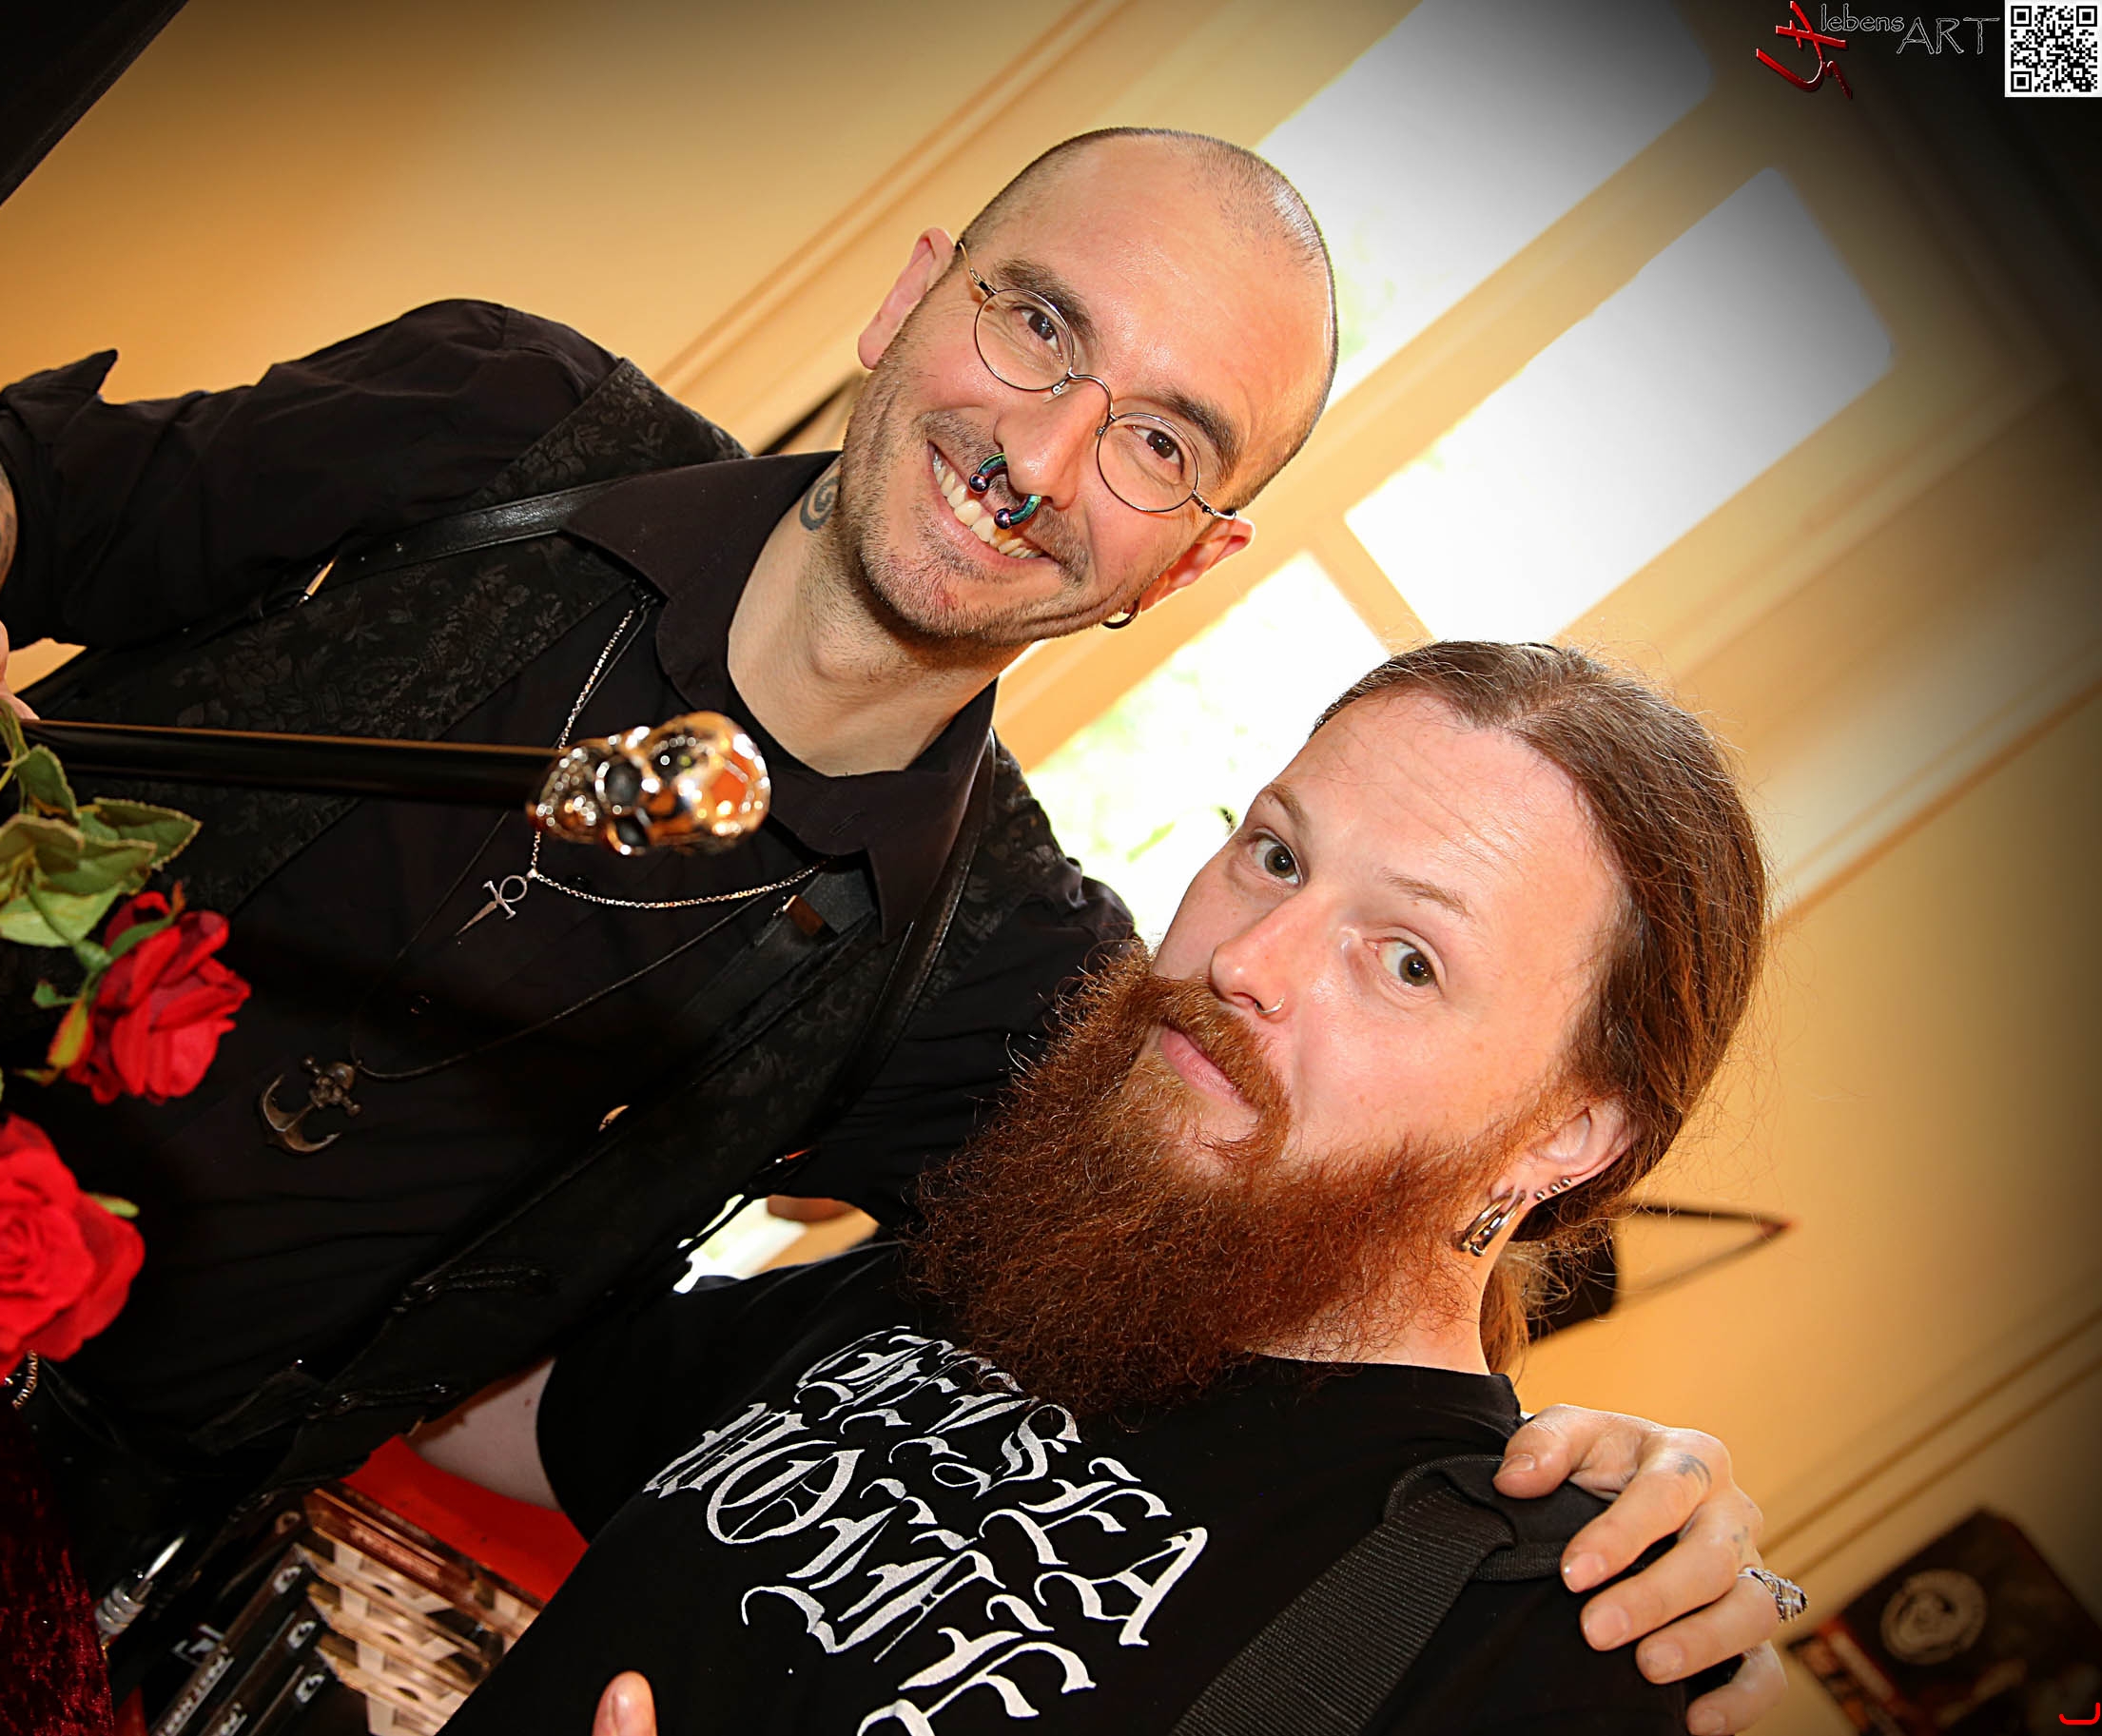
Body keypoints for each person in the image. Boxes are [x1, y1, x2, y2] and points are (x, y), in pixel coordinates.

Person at [0, 131, 1776, 1715]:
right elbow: (27, 493)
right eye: (1035, 323)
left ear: (1183, 561)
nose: (1038, 453)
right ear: (911, 295)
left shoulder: (1012, 973)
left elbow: (1284, 1231)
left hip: (1, 1502)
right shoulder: (505, 416)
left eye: (1160, 442)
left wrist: (1602, 1493)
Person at [415, 642, 1792, 1735]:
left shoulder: (1536, 1627)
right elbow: (506, 1409)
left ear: (1569, 1133)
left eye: (1407, 960)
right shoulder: (1019, 1269)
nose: (1249, 958)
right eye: (1276, 855)